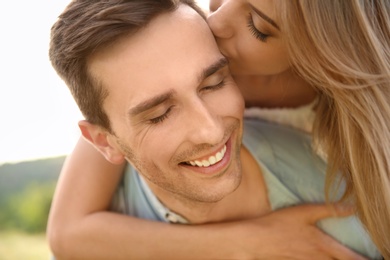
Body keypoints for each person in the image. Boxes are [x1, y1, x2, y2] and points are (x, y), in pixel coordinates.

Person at [46, 0, 384, 259]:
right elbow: (67, 231)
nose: (215, 21)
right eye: (161, 114)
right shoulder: (162, 52)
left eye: (258, 28)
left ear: (319, 53)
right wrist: (247, 242)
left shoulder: (347, 157)